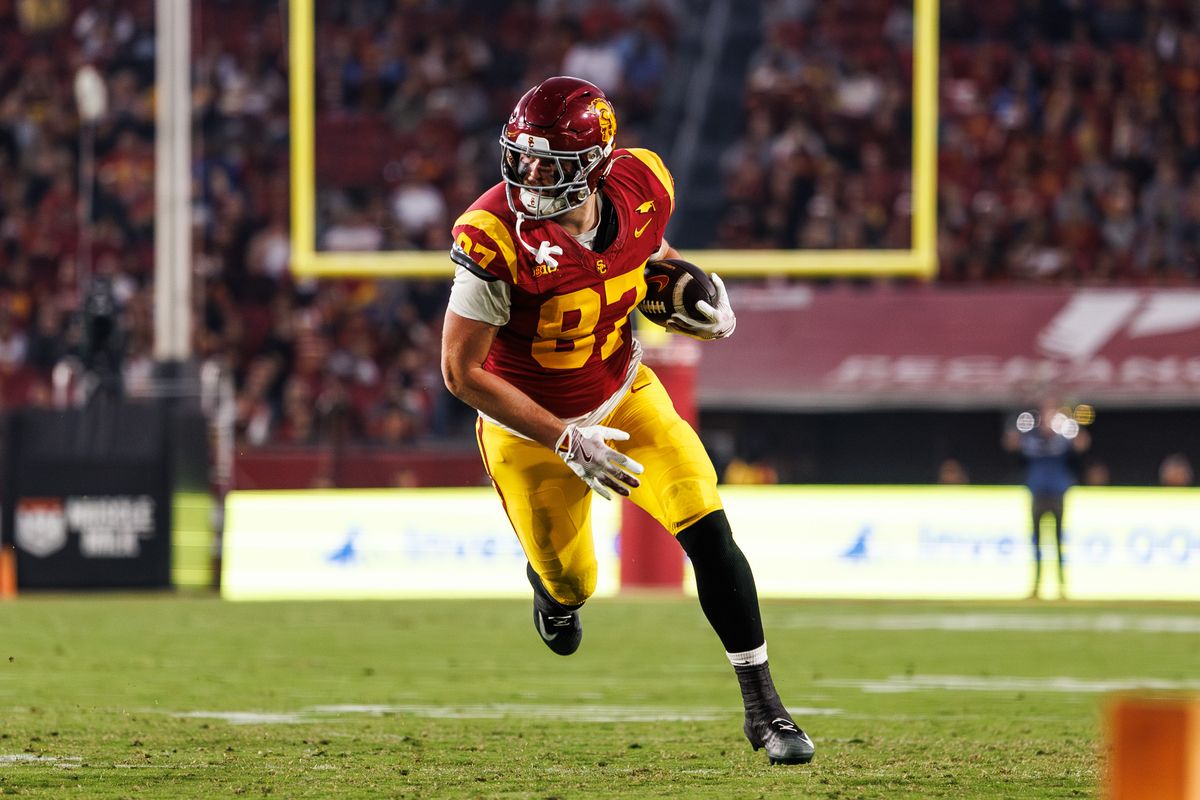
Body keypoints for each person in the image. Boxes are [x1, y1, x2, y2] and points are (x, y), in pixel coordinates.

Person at [440, 76, 814, 765]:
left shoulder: (643, 184)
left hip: (623, 395)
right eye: (519, 157)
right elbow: (461, 372)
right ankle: (551, 596)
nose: (526, 175)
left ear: (593, 168)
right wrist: (562, 436)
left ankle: (766, 711)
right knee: (572, 582)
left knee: (706, 521)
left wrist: (693, 292)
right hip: (531, 434)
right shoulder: (493, 233)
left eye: (545, 163)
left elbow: (647, 258)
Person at [1002, 398, 1090, 600]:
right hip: (1038, 493)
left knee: (1059, 541)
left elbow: (1080, 450)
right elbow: (1014, 449)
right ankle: (1036, 586)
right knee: (1037, 541)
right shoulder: (1032, 440)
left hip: (1058, 494)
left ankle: (1062, 586)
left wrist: (1080, 438)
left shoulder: (1063, 440)